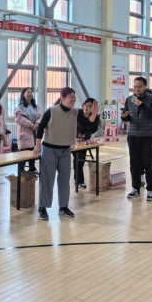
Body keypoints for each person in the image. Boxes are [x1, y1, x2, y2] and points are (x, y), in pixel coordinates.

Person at [32, 87, 99, 220]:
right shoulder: (52, 110)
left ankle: (63, 206)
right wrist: (37, 145)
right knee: (47, 179)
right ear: (62, 98)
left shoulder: (76, 112)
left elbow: (88, 123)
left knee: (64, 179)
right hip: (49, 149)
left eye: (74, 97)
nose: (73, 99)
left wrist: (94, 114)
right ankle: (43, 207)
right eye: (70, 97)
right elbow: (41, 127)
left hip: (65, 150)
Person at [121, 77, 152, 201]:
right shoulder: (129, 99)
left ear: (145, 86)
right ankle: (135, 188)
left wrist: (141, 104)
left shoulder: (151, 99)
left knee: (149, 163)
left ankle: (150, 190)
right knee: (134, 163)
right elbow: (128, 118)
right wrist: (124, 117)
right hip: (132, 135)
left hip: (147, 136)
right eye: (135, 86)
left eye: (140, 86)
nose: (137, 89)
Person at [73, 97, 101, 188]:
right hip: (74, 139)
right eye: (85, 105)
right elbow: (72, 125)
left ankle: (78, 179)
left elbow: (94, 128)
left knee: (82, 159)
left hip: (85, 141)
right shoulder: (77, 113)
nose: (86, 108)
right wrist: (77, 133)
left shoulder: (95, 116)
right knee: (77, 158)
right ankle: (79, 181)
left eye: (89, 106)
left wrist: (86, 134)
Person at [15, 87, 42, 173]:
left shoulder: (36, 107)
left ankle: (31, 172)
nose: (30, 94)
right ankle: (21, 174)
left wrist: (36, 124)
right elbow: (19, 119)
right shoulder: (20, 107)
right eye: (28, 92)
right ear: (23, 94)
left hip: (34, 132)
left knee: (33, 153)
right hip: (25, 132)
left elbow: (39, 117)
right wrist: (31, 125)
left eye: (31, 92)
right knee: (23, 156)